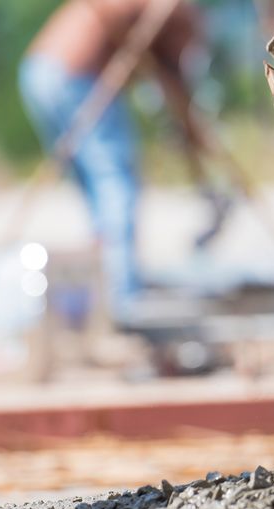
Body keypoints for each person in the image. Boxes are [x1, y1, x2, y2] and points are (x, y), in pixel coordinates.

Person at [19, 0, 201, 325]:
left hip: (39, 71)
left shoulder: (161, 15)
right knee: (116, 180)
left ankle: (103, 287)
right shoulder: (175, 14)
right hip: (74, 74)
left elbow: (169, 79)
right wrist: (192, 133)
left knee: (96, 191)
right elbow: (174, 78)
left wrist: (190, 134)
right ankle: (122, 298)